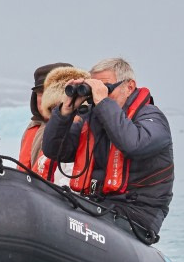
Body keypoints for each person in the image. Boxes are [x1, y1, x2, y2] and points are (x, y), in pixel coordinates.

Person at [41, 57, 174, 243]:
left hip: (136, 214)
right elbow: (54, 150)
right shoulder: (93, 119)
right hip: (97, 206)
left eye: (106, 88)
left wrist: (103, 102)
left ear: (129, 87)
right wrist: (65, 111)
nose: (98, 94)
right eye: (95, 88)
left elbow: (132, 144)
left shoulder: (153, 118)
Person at [18, 62, 86, 186]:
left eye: (48, 92)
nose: (44, 98)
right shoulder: (33, 128)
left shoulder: (78, 126)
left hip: (58, 196)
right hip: (28, 194)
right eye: (40, 93)